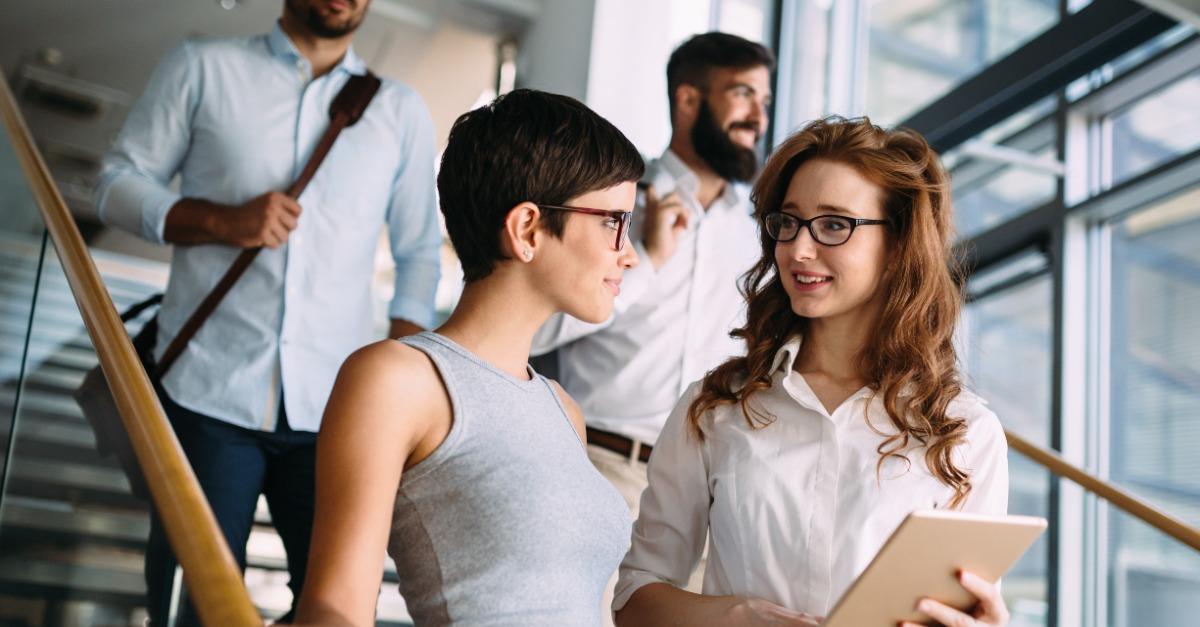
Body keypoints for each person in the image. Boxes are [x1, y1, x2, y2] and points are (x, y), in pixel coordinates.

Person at [93, 1, 440, 623]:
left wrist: (403, 384)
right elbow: (116, 182)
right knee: (189, 604)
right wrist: (222, 219)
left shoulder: (399, 109)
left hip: (338, 409)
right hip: (207, 395)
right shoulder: (203, 66)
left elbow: (419, 255)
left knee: (337, 606)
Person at [613, 117, 1012, 627]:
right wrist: (735, 617)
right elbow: (634, 598)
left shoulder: (966, 433)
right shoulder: (714, 409)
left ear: (898, 246)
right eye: (789, 221)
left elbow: (965, 611)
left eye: (833, 224)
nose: (798, 250)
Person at [295, 89, 644, 626]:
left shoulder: (561, 409)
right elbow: (332, 609)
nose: (630, 252)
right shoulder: (396, 379)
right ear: (528, 228)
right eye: (612, 221)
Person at [532, 29, 773, 523]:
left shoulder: (758, 238)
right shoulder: (608, 205)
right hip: (602, 469)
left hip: (710, 492)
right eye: (743, 94)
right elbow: (537, 329)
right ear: (688, 99)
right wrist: (648, 257)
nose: (759, 117)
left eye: (765, 100)